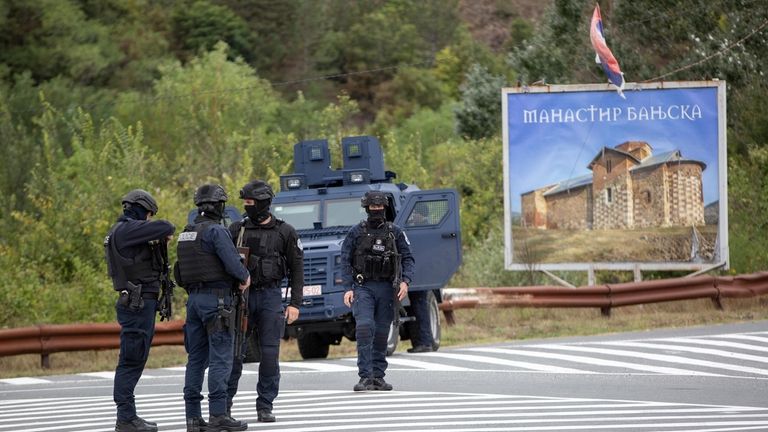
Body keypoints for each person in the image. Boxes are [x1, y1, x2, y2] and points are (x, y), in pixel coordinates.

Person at [174, 184, 251, 432]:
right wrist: (244, 277)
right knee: (221, 358)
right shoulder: (216, 231)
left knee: (196, 359)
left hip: (194, 301)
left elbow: (179, 271)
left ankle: (193, 418)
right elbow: (234, 264)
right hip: (217, 300)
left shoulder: (186, 232)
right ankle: (218, 414)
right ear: (219, 206)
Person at [227, 179, 304, 423]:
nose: (247, 206)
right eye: (245, 203)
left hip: (271, 297)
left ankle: (265, 405)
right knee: (235, 353)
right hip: (242, 299)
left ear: (264, 203)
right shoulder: (236, 230)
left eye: (251, 202)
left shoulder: (285, 231)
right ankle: (224, 405)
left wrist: (295, 304)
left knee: (270, 354)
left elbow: (297, 269)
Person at [104, 189, 175, 432]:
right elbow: (167, 226)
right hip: (137, 304)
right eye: (148, 214)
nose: (149, 219)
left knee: (134, 359)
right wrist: (157, 232)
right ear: (140, 209)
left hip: (137, 303)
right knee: (131, 360)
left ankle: (128, 415)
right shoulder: (126, 229)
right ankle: (125, 418)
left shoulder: (124, 231)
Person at [342, 190, 415, 391]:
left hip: (386, 288)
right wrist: (348, 287)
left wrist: (405, 282)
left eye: (379, 207)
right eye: (373, 207)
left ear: (385, 208)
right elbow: (345, 260)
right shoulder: (356, 232)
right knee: (365, 327)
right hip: (363, 286)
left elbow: (408, 258)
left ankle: (378, 376)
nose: (376, 210)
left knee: (382, 331)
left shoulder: (395, 232)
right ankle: (365, 376)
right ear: (367, 208)